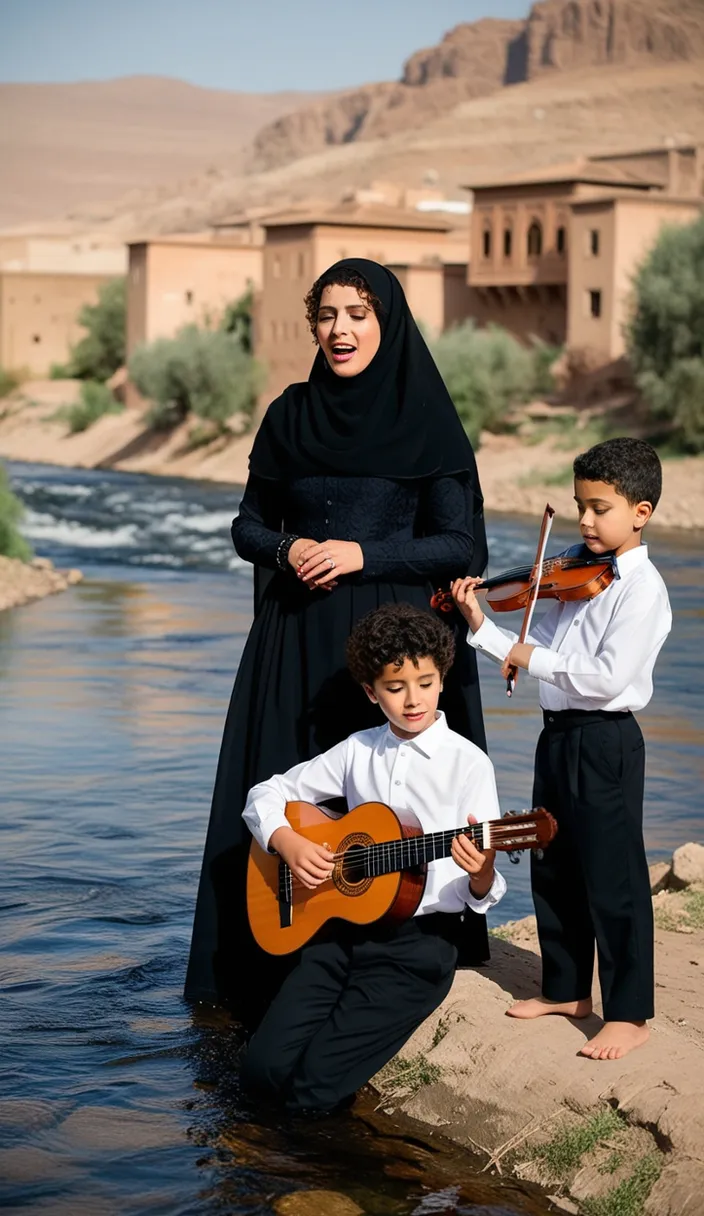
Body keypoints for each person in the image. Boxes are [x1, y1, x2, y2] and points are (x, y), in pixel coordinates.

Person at [185, 258, 489, 1024]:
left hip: (391, 645)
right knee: (288, 789)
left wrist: (362, 555)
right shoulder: (289, 414)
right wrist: (287, 550)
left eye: (358, 314)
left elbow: (458, 545)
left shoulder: (427, 419)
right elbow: (247, 525)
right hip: (293, 640)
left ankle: (388, 943)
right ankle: (266, 960)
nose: (341, 330)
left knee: (388, 807)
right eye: (327, 315)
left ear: (386, 321)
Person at [452, 437, 672, 1061]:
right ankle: (568, 989)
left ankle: (630, 1013)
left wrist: (525, 655)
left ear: (642, 511)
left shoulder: (642, 589)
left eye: (600, 508)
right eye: (579, 506)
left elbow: (603, 675)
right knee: (552, 861)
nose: (584, 521)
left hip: (606, 740)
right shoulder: (574, 572)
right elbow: (536, 634)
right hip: (558, 738)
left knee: (614, 876)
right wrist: (481, 625)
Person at [240, 603, 506, 1112]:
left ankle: (310, 1186)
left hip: (416, 953)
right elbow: (266, 794)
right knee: (260, 1072)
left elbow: (482, 892)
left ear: (442, 680)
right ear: (371, 692)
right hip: (339, 934)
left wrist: (483, 872)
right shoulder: (356, 750)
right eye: (395, 687)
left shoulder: (468, 764)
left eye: (425, 683)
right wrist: (288, 843)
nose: (413, 700)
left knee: (311, 1091)